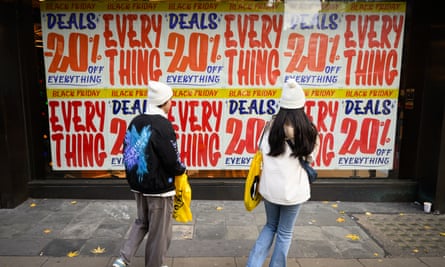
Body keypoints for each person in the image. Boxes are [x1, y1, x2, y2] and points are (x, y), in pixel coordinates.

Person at [246, 80, 320, 267]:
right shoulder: (309, 131)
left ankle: (253, 264)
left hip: (270, 188)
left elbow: (260, 150)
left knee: (270, 226)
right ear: (301, 105)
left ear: (282, 105)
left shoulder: (269, 128)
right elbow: (310, 158)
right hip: (293, 191)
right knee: (285, 232)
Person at [113, 81, 186, 267]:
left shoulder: (136, 121)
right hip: (159, 188)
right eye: (170, 100)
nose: (172, 103)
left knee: (142, 222)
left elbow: (128, 151)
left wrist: (133, 178)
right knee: (159, 232)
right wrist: (181, 169)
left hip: (138, 184)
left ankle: (123, 259)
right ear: (164, 101)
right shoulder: (163, 125)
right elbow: (171, 159)